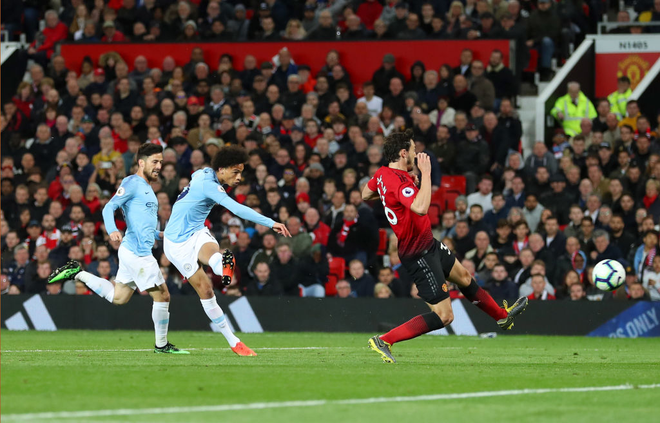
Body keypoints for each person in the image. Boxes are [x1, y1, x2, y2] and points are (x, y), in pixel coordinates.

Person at [362, 129, 527, 363]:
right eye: (412, 150)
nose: (416, 153)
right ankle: (384, 339)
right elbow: (420, 207)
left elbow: (365, 193)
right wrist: (426, 174)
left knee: (465, 278)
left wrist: (395, 192)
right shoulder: (397, 180)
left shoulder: (382, 174)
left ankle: (502, 316)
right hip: (417, 252)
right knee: (444, 316)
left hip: (428, 243)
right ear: (402, 153)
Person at [48, 144, 188, 354]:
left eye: (161, 162)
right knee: (163, 295)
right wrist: (112, 229)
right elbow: (109, 207)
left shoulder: (148, 188)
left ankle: (77, 273)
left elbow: (143, 224)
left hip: (134, 249)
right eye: (155, 162)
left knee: (119, 297)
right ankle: (161, 345)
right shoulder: (132, 182)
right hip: (136, 252)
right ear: (141, 162)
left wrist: (160, 235)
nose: (159, 166)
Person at [163, 146, 291, 356]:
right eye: (235, 172)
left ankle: (222, 267)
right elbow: (237, 209)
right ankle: (232, 337)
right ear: (221, 169)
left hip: (196, 231)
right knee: (206, 291)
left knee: (213, 252)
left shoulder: (203, 173)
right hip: (176, 243)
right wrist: (270, 222)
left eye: (241, 172)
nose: (239, 177)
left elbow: (190, 189)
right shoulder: (210, 185)